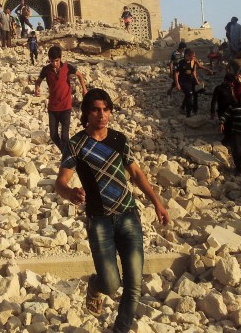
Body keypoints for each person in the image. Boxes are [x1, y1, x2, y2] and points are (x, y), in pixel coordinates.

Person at [54, 89, 169, 333]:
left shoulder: (119, 139)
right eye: (96, 110)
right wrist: (69, 192)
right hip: (99, 222)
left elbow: (136, 173)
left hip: (128, 216)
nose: (102, 115)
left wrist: (157, 202)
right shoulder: (76, 145)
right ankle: (95, 285)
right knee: (110, 283)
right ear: (87, 113)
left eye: (106, 109)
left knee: (134, 284)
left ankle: (120, 329)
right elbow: (60, 181)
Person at [35, 45, 88, 152]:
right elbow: (38, 81)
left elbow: (79, 75)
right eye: (52, 61)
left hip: (65, 107)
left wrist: (84, 88)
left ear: (60, 58)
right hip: (53, 108)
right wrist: (37, 88)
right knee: (53, 136)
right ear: (49, 59)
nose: (55, 63)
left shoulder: (67, 67)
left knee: (64, 136)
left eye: (57, 61)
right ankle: (67, 153)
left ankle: (68, 155)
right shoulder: (46, 70)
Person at [210, 73, 236, 144]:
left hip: (231, 111)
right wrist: (212, 111)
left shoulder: (232, 89)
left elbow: (235, 101)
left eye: (232, 82)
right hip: (222, 111)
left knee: (231, 126)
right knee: (226, 127)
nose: (231, 84)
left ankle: (228, 141)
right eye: (229, 82)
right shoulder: (218, 89)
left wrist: (232, 93)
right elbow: (214, 100)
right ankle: (225, 142)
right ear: (225, 80)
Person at [174, 48, 200, 117]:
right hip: (183, 81)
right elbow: (176, 73)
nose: (192, 59)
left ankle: (192, 109)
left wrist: (197, 81)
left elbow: (193, 72)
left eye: (193, 57)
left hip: (191, 80)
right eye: (191, 57)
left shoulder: (192, 62)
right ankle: (188, 114)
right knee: (189, 95)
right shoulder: (181, 63)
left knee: (194, 94)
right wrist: (177, 84)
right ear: (186, 56)